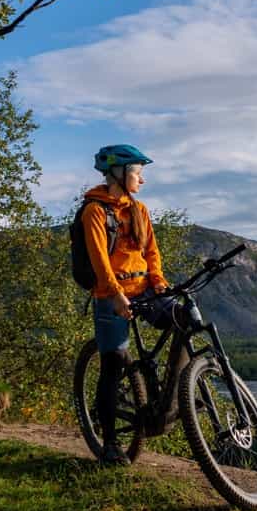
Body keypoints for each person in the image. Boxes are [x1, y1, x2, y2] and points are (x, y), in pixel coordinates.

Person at [83, 143, 174, 465]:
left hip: (144, 288)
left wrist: (159, 283)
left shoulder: (139, 210)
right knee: (114, 363)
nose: (142, 179)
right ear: (119, 173)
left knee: (183, 318)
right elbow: (98, 260)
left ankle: (176, 398)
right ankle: (110, 443)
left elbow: (152, 252)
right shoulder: (95, 211)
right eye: (138, 173)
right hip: (111, 293)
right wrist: (116, 294)